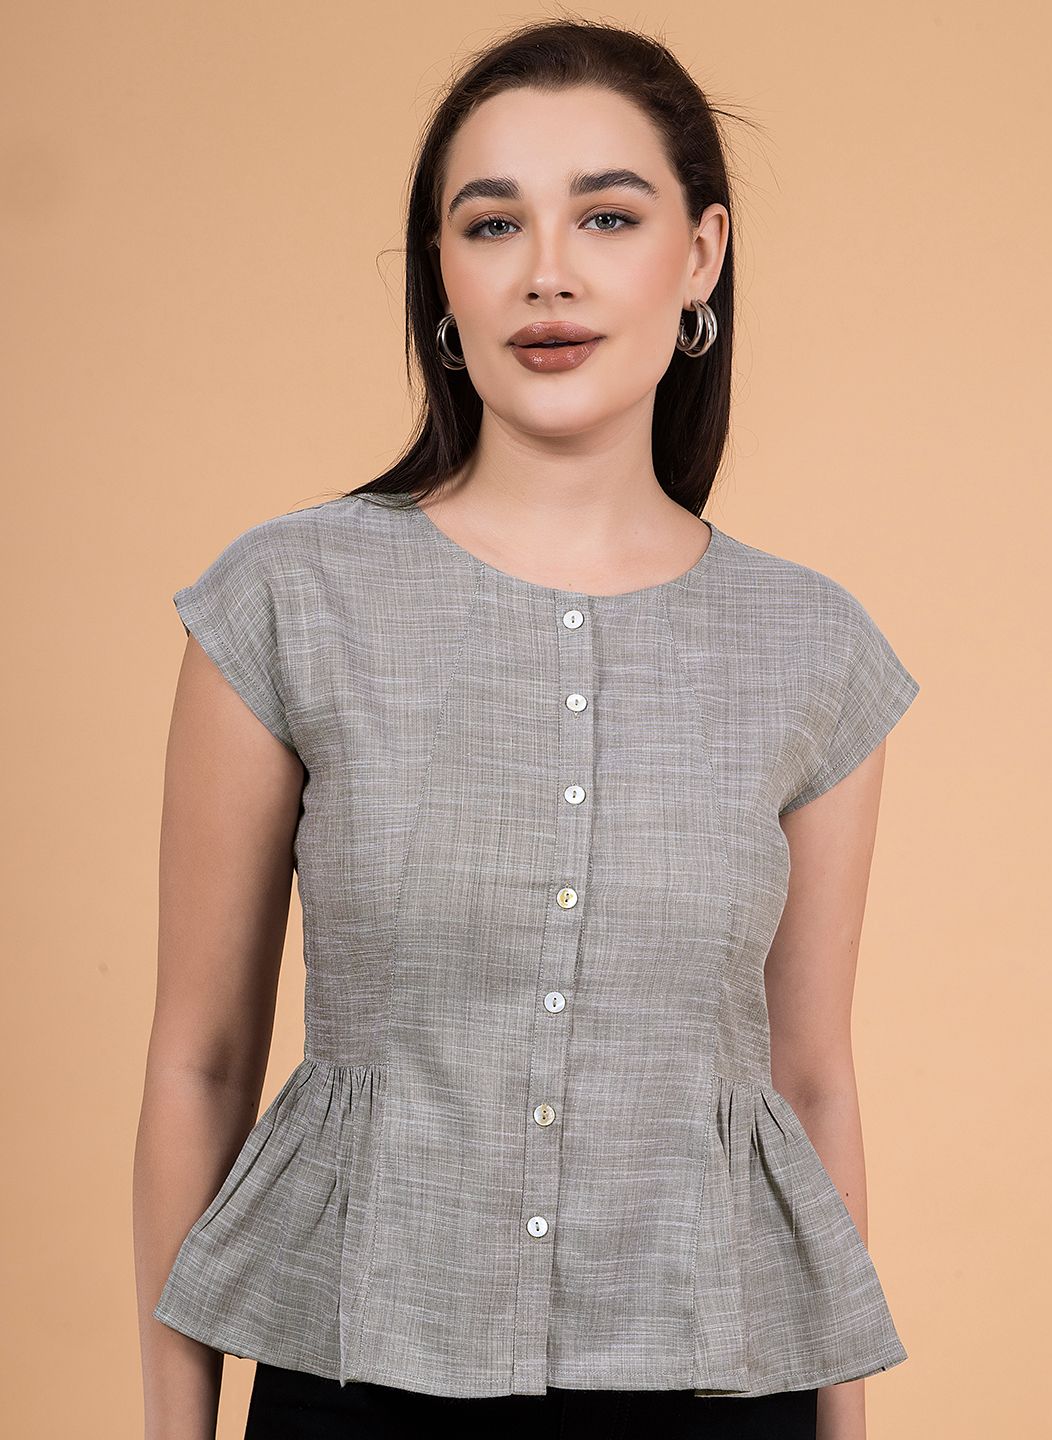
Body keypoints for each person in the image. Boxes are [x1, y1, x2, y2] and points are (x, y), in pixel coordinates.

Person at [134, 18, 920, 1440]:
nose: (546, 271)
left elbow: (809, 1082)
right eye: (492, 223)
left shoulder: (811, 646)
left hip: (721, 1386)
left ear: (701, 254)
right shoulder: (288, 600)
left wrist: (849, 1426)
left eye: (607, 215)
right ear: (442, 274)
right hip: (359, 1376)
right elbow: (200, 1056)